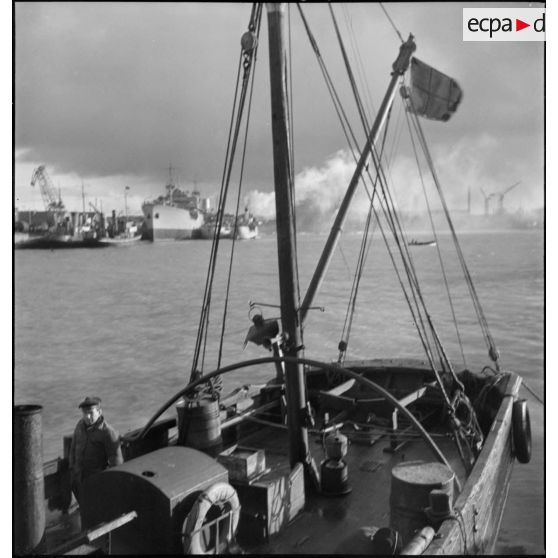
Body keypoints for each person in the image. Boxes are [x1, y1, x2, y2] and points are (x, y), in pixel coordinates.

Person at [69, 396, 123, 504]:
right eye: (85, 413)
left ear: (99, 412)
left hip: (97, 481)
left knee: (95, 509)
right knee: (83, 507)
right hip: (79, 479)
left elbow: (116, 462)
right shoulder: (80, 426)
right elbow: (73, 448)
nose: (88, 417)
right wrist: (72, 469)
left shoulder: (108, 432)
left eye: (91, 412)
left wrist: (106, 483)